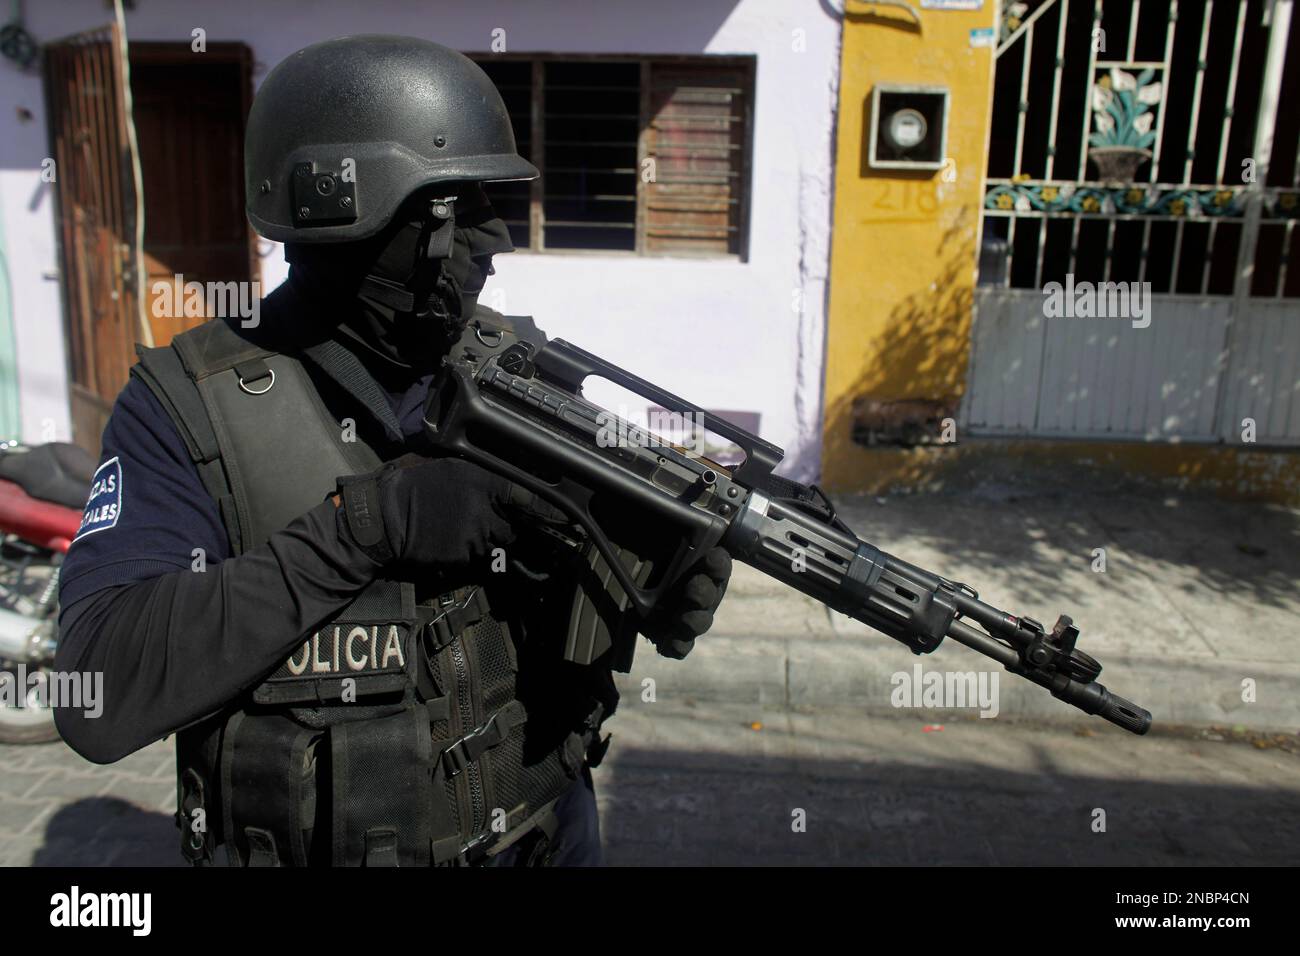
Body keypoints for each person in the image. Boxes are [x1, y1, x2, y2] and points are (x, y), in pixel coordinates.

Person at [53, 34, 731, 867]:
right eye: (458, 205)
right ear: (345, 209)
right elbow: (98, 691)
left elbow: (572, 575)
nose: (495, 240)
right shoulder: (187, 406)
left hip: (546, 836)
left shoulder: (510, 369)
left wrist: (642, 579)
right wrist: (368, 527)